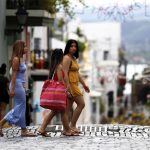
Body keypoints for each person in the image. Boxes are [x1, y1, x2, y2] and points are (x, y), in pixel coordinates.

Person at [38, 48, 78, 136]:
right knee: (63, 111)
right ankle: (67, 130)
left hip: (56, 93)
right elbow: (60, 80)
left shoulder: (54, 66)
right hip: (59, 93)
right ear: (60, 56)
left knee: (54, 112)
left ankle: (42, 128)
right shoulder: (59, 66)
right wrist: (66, 90)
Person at [0, 40, 36, 137]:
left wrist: (24, 87)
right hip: (16, 85)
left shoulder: (20, 59)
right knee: (20, 107)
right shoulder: (16, 59)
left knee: (21, 107)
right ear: (20, 48)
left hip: (20, 85)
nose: (26, 48)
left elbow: (21, 75)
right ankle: (20, 129)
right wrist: (12, 89)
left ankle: (23, 130)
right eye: (24, 46)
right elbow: (14, 75)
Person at [63, 39, 90, 133]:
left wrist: (84, 85)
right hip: (70, 84)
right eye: (71, 46)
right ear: (68, 47)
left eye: (75, 46)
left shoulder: (73, 58)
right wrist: (67, 88)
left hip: (75, 84)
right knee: (81, 104)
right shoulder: (66, 58)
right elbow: (65, 73)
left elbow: (77, 73)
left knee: (67, 109)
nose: (74, 48)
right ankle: (72, 125)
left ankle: (66, 128)